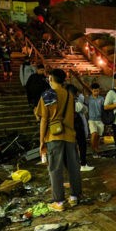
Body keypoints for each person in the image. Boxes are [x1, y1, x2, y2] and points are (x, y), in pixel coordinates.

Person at [35, 69, 82, 212]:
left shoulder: (48, 95)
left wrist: (41, 141)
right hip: (70, 135)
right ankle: (74, 197)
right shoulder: (69, 94)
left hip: (54, 136)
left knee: (55, 168)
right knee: (73, 167)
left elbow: (43, 119)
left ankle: (59, 202)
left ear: (50, 78)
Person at [66, 84, 94, 172]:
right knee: (82, 145)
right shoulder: (74, 101)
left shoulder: (65, 100)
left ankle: (76, 163)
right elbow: (83, 108)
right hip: (77, 125)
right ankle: (83, 164)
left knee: (74, 146)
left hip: (69, 126)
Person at [87, 83, 105, 158]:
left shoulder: (101, 99)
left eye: (97, 91)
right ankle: (93, 150)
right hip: (91, 119)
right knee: (94, 134)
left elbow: (104, 108)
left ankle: (96, 149)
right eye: (94, 91)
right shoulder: (88, 99)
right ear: (91, 90)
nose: (96, 92)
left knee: (98, 136)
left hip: (100, 119)